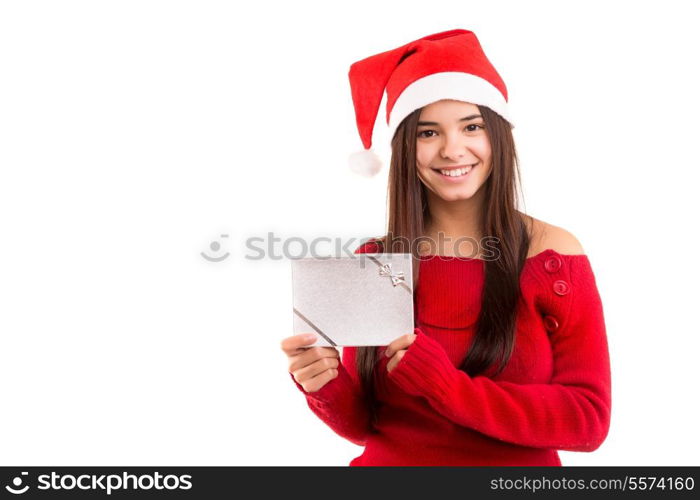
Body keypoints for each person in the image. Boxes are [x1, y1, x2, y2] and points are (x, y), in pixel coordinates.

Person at [280, 28, 611, 466]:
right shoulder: (374, 261)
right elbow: (362, 425)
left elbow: (587, 422)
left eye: (471, 126)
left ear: (498, 135)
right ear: (405, 149)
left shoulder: (551, 256)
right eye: (428, 133)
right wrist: (323, 382)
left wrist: (446, 386)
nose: (453, 150)